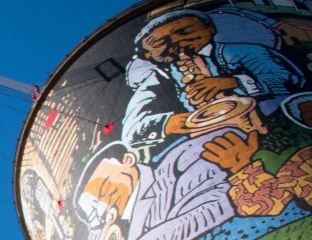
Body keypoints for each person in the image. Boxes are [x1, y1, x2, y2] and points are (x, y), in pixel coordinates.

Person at [122, 9, 305, 149]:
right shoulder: (158, 79)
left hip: (272, 122)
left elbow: (289, 80)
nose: (176, 43)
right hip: (209, 141)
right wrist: (170, 123)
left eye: (185, 31)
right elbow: (130, 130)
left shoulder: (245, 51)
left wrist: (235, 82)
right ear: (148, 55)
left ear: (210, 28)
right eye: (161, 43)